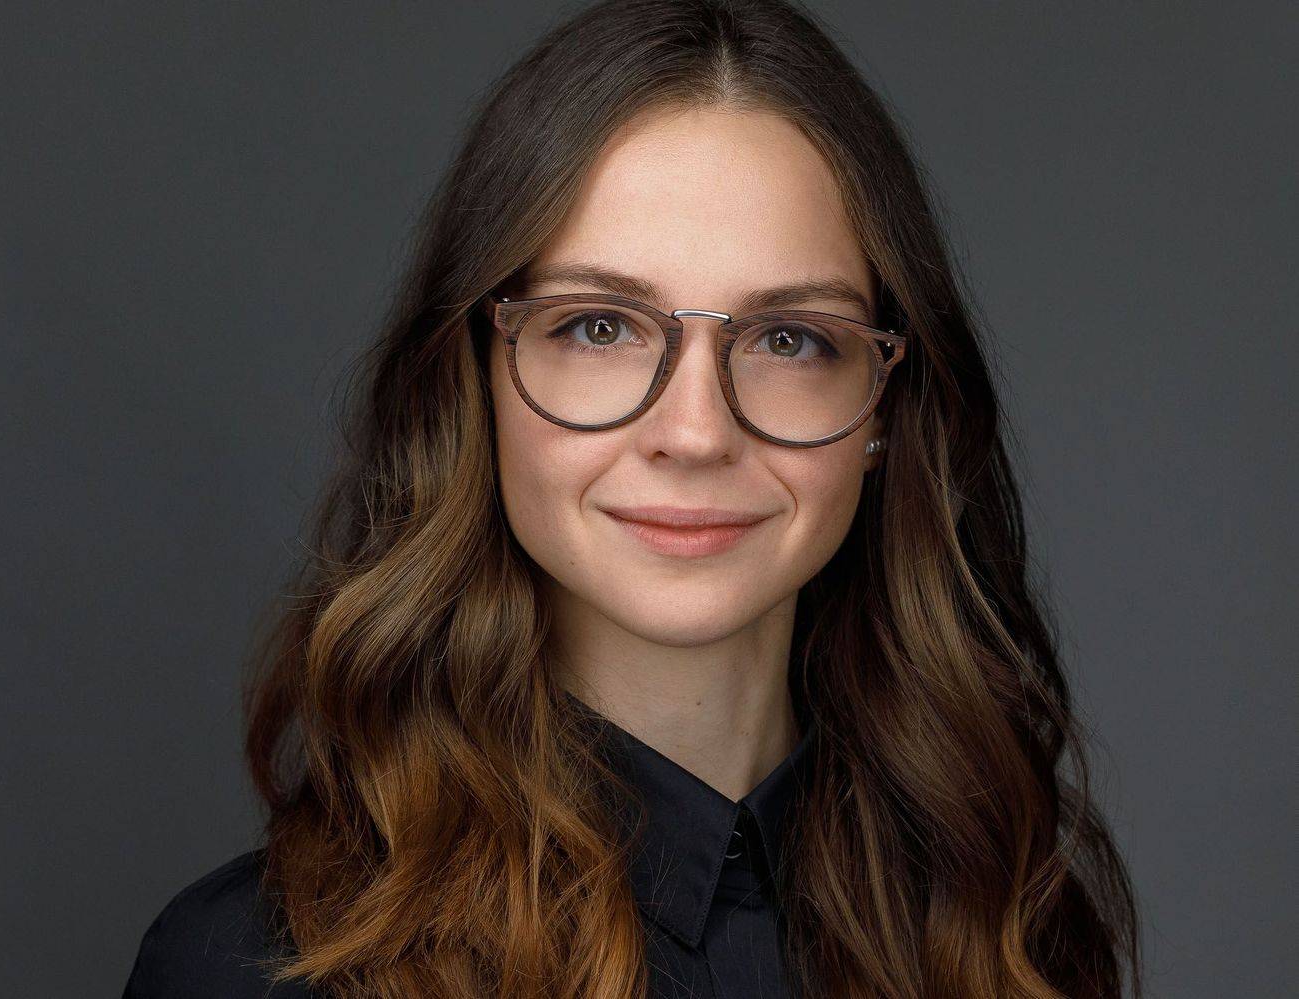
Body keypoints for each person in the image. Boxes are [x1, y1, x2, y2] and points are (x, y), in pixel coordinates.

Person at [121, 1, 1142, 996]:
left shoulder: (1013, 930)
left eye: (790, 340)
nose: (695, 434)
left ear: (884, 405)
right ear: (476, 377)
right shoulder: (254, 969)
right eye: (599, 327)